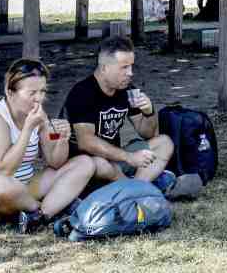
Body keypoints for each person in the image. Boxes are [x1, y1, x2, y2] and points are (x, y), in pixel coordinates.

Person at [0, 59, 94, 233]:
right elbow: (5, 170)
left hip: (23, 188)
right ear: (10, 92)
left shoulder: (39, 116)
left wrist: (61, 139)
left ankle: (40, 216)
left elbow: (55, 162)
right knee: (1, 184)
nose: (39, 99)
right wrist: (28, 129)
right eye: (32, 93)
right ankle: (53, 209)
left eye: (42, 91)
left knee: (84, 163)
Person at [60, 37, 201, 200]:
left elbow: (148, 133)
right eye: (124, 67)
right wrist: (129, 157)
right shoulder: (82, 93)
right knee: (101, 164)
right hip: (87, 166)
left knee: (164, 143)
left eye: (131, 66)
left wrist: (148, 111)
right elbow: (87, 142)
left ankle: (134, 190)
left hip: (116, 160)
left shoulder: (126, 90)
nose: (130, 73)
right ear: (104, 68)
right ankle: (142, 190)